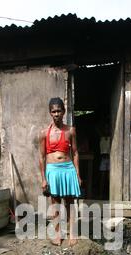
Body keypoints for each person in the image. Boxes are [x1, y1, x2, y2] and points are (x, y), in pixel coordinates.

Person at [39, 97, 81, 246]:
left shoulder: (70, 130)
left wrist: (78, 174)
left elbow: (75, 153)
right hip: (53, 170)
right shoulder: (44, 133)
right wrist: (43, 179)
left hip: (68, 169)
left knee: (69, 203)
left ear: (63, 112)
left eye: (59, 110)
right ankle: (58, 234)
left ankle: (72, 233)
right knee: (55, 204)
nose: (56, 114)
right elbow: (42, 156)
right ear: (50, 113)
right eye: (53, 111)